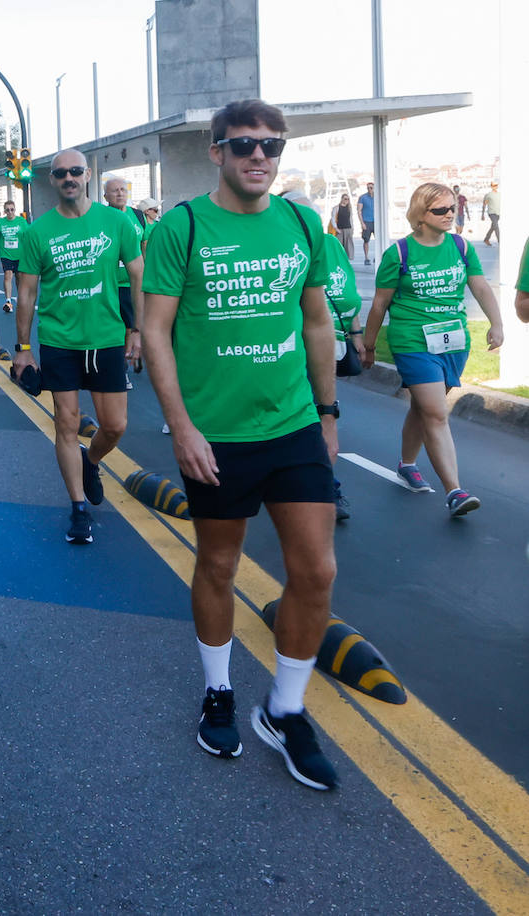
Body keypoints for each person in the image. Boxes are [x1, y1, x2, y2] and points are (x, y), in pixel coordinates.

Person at [141, 99, 341, 790]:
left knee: (316, 572)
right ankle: (219, 690)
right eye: (245, 145)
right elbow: (157, 333)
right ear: (218, 153)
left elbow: (317, 322)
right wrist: (183, 426)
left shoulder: (301, 223)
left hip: (291, 427)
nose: (260, 157)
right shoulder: (183, 228)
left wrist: (327, 411)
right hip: (216, 436)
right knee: (219, 565)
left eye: (272, 146)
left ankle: (284, 709)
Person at [13, 148, 142, 545]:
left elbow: (138, 274)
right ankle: (78, 509)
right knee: (66, 424)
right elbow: (27, 293)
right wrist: (22, 347)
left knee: (115, 425)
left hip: (105, 339)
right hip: (59, 342)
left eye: (75, 171)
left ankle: (92, 461)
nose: (68, 178)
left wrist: (135, 329)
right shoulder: (37, 233)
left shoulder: (117, 222)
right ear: (51, 181)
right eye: (60, 173)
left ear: (87, 175)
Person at [362, 182, 504, 517]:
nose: (450, 214)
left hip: (453, 341)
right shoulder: (399, 253)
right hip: (413, 342)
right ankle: (455, 491)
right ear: (420, 215)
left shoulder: (461, 246)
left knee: (424, 409)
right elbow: (380, 303)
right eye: (440, 210)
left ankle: (406, 463)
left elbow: (480, 287)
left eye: (452, 207)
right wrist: (368, 345)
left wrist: (497, 324)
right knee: (438, 414)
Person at [286, 192, 363, 522]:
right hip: (286, 351)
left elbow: (347, 291)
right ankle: (318, 487)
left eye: (312, 215)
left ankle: (321, 487)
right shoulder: (277, 247)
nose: (308, 221)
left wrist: (357, 333)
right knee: (305, 418)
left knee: (320, 415)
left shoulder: (330, 246)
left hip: (325, 348)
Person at [104, 176, 148, 340]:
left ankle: (127, 358)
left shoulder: (137, 215)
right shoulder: (102, 217)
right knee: (113, 326)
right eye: (115, 191)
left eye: (123, 190)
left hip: (132, 283)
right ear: (106, 197)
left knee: (132, 325)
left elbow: (143, 245)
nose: (120, 194)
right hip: (110, 283)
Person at [0, 199, 29, 313]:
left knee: (19, 276)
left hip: (20, 254)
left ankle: (20, 299)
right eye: (7, 210)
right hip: (6, 254)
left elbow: (27, 237)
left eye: (12, 210)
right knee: (8, 275)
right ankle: (8, 301)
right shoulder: (0, 223)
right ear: (4, 211)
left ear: (15, 210)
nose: (10, 212)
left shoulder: (21, 222)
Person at [358, 181, 376, 264]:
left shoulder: (378, 197)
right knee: (366, 241)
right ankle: (366, 258)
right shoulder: (362, 197)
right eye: (368, 188)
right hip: (367, 222)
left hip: (376, 222)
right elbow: (359, 211)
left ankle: (377, 256)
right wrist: (362, 223)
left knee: (378, 241)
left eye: (371, 187)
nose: (369, 189)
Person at [333, 192, 355, 260]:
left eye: (348, 199)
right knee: (339, 245)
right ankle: (339, 258)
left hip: (348, 228)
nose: (346, 200)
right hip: (340, 229)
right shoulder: (336, 208)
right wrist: (336, 228)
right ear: (342, 199)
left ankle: (348, 258)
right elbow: (333, 218)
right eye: (345, 199)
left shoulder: (349, 208)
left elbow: (351, 218)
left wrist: (352, 228)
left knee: (348, 245)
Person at [481, 182, 500, 246]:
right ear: (491, 186)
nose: (495, 186)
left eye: (496, 185)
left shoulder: (500, 194)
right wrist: (482, 215)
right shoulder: (488, 195)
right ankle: (500, 241)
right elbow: (484, 205)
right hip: (492, 213)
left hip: (498, 213)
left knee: (493, 227)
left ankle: (486, 239)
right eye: (493, 185)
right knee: (496, 227)